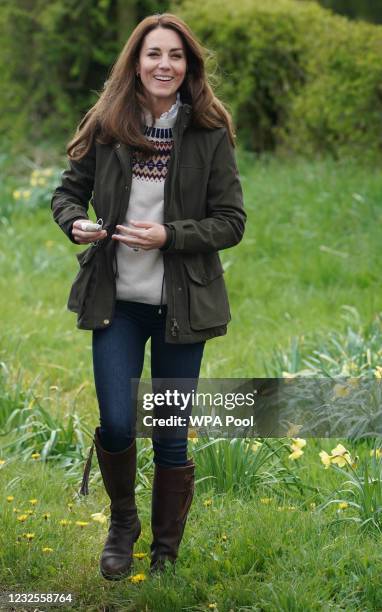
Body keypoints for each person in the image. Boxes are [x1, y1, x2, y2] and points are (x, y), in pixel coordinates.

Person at [51, 12, 246, 581]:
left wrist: (171, 236)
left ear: (189, 68)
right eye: (154, 54)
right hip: (117, 301)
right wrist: (75, 224)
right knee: (116, 421)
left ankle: (164, 549)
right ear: (136, 62)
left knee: (168, 426)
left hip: (184, 306)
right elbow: (68, 194)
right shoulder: (108, 122)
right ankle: (122, 523)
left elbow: (231, 222)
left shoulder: (209, 130)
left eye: (176, 56)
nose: (165, 65)